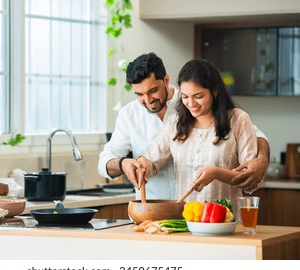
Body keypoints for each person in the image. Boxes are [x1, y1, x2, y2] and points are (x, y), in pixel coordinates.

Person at [98, 53, 269, 200]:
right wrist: (127, 164)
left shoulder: (227, 114)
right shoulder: (154, 118)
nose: (148, 100)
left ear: (166, 80)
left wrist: (261, 160)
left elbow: (254, 139)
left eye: (152, 91)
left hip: (222, 218)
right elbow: (148, 159)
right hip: (165, 216)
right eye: (139, 94)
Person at [131, 58, 261, 211]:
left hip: (226, 222)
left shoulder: (238, 119)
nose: (191, 103)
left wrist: (217, 173)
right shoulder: (175, 123)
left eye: (198, 96)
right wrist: (142, 165)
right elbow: (152, 160)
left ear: (214, 90)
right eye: (185, 97)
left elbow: (250, 179)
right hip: (185, 221)